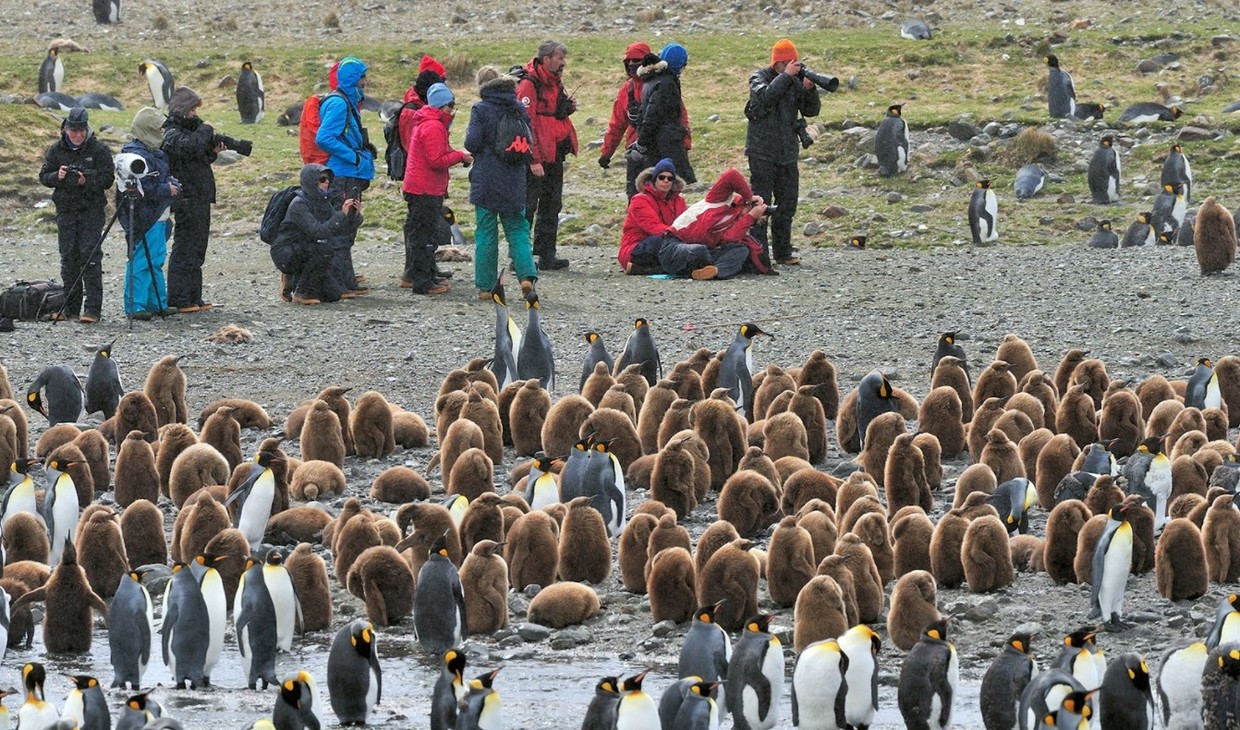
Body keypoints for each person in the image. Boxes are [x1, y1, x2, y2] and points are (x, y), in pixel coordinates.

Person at [745, 38, 821, 268]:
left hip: (787, 152)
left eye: (792, 61)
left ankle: (783, 251)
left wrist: (810, 90)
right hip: (761, 152)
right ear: (776, 62)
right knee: (761, 204)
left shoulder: (795, 81)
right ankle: (759, 254)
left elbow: (811, 110)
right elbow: (766, 96)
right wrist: (786, 76)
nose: (790, 64)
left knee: (787, 204)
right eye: (785, 61)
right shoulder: (758, 77)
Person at [466, 66, 538, 300]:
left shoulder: (481, 109)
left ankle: (487, 287)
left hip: (486, 179)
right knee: (518, 230)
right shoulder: (518, 108)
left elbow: (471, 143)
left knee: (486, 232)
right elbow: (530, 140)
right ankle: (526, 277)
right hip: (515, 178)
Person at [38, 106, 114, 323]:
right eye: (73, 131)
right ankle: (70, 309)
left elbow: (108, 179)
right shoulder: (56, 150)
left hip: (91, 211)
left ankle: (92, 310)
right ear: (66, 129)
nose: (78, 135)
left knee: (90, 257)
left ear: (87, 129)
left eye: (81, 131)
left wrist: (85, 181)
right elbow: (44, 176)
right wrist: (58, 176)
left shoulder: (98, 149)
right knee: (68, 258)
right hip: (66, 211)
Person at [402, 83, 471, 296]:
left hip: (420, 187)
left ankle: (425, 274)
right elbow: (436, 160)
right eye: (450, 105)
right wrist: (460, 156)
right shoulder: (434, 126)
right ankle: (423, 282)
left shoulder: (427, 122)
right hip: (426, 189)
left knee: (422, 235)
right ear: (442, 106)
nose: (452, 109)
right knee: (424, 237)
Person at [315, 56, 374, 297]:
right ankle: (339, 284)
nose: (365, 82)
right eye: (362, 77)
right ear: (353, 78)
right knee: (342, 225)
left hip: (349, 173)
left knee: (349, 225)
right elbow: (324, 138)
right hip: (343, 174)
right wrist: (354, 156)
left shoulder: (346, 101)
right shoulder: (339, 103)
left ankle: (346, 281)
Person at [517, 40, 577, 271]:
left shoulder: (554, 82)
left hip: (555, 153)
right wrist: (533, 159)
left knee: (552, 205)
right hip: (536, 157)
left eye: (563, 58)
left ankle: (546, 254)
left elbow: (552, 113)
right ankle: (520, 256)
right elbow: (526, 123)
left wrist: (567, 108)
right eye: (560, 58)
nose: (563, 63)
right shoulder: (529, 84)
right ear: (546, 59)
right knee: (528, 206)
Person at [162, 86, 222, 313]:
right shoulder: (171, 132)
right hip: (186, 197)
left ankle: (193, 296)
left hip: (200, 195)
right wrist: (206, 130)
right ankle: (178, 297)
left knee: (198, 248)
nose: (195, 114)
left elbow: (198, 155)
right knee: (184, 246)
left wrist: (212, 151)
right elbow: (190, 147)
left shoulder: (189, 130)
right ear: (182, 109)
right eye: (192, 109)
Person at [118, 106, 180, 320]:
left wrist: (171, 184)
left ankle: (156, 303)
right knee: (141, 260)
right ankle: (135, 305)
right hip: (145, 216)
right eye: (158, 128)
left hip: (159, 214)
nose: (162, 132)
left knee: (156, 259)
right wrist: (166, 189)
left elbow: (156, 180)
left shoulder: (156, 152)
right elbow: (138, 187)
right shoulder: (134, 155)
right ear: (148, 129)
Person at [660, 168, 771, 280]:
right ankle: (709, 268)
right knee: (698, 250)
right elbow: (731, 175)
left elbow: (729, 239)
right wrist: (750, 197)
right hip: (675, 245)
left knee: (741, 249)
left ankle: (715, 271)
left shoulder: (740, 222)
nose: (749, 211)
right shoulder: (719, 199)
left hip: (704, 251)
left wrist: (750, 218)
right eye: (751, 208)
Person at [276, 164, 361, 305]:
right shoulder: (299, 204)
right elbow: (318, 232)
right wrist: (341, 215)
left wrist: (353, 216)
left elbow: (339, 229)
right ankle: (301, 292)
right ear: (311, 181)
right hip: (286, 250)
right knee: (324, 249)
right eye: (322, 179)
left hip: (307, 248)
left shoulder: (323, 201)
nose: (327, 182)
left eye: (328, 179)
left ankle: (294, 280)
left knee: (333, 295)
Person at [397, 55, 448, 289]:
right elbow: (418, 149)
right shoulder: (415, 111)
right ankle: (415, 274)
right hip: (421, 181)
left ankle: (425, 269)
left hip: (423, 179)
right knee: (420, 229)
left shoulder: (419, 109)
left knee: (424, 227)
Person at [631, 43, 695, 185]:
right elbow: (653, 115)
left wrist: (641, 141)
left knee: (658, 183)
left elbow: (644, 114)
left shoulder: (651, 81)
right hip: (667, 143)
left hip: (656, 142)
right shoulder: (666, 83)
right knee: (678, 182)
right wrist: (641, 142)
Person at [597, 42, 650, 198]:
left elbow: (679, 119)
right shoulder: (627, 89)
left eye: (637, 60)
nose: (633, 64)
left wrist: (683, 147)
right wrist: (606, 153)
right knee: (635, 199)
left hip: (659, 152)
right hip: (635, 154)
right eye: (630, 61)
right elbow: (617, 125)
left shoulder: (661, 85)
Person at [618, 158, 685, 275]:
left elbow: (686, 224)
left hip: (669, 242)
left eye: (670, 178)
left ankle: (649, 269)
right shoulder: (639, 200)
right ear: (654, 179)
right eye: (661, 177)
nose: (666, 181)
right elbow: (654, 227)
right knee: (659, 241)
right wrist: (682, 238)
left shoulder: (679, 201)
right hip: (635, 249)